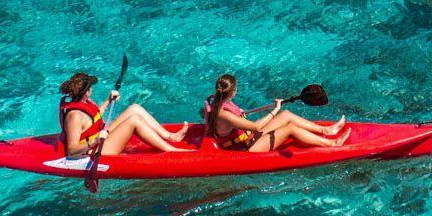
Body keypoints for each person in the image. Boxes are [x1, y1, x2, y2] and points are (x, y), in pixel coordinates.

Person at [202, 74, 350, 152]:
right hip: (245, 149)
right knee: (290, 129)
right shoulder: (224, 114)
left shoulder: (214, 101)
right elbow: (256, 127)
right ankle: (332, 143)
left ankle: (326, 130)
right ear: (233, 92)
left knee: (286, 115)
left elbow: (208, 115)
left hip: (246, 139)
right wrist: (275, 110)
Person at [58, 72, 190, 158]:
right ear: (87, 91)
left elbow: (93, 118)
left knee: (135, 108)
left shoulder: (84, 102)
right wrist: (96, 140)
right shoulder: (74, 116)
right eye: (90, 87)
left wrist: (109, 100)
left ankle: (170, 137)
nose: (92, 89)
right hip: (95, 150)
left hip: (101, 137)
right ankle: (171, 151)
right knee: (133, 120)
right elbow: (72, 150)